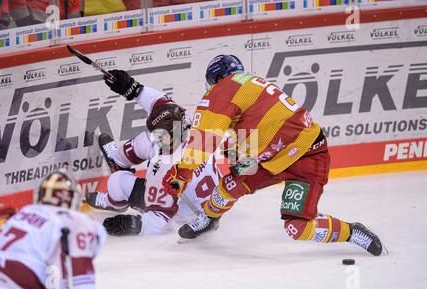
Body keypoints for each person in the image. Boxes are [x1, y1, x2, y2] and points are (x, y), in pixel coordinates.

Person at [162, 54, 384, 256]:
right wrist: (236, 159)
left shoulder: (222, 91)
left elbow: (203, 140)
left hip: (304, 156)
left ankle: (353, 232)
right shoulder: (253, 86)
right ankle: (209, 219)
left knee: (294, 227)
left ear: (215, 79)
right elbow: (257, 130)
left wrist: (182, 174)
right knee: (229, 186)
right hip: (291, 154)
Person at [85, 69, 220, 236]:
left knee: (117, 180)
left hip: (183, 215)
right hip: (209, 202)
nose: (157, 136)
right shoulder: (193, 124)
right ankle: (117, 160)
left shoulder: (164, 170)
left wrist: (130, 225)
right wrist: (132, 87)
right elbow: (160, 102)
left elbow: (158, 221)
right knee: (146, 142)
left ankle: (114, 202)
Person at [0, 170, 106, 289]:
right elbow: (78, 286)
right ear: (73, 199)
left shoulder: (24, 212)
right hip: (16, 286)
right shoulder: (75, 221)